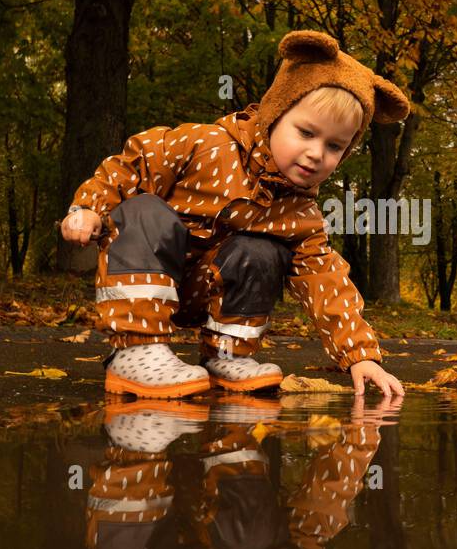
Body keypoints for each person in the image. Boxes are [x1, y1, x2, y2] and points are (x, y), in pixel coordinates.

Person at [60, 30, 407, 400]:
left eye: (334, 146)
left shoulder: (300, 213)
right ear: (274, 114)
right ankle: (136, 350)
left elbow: (327, 282)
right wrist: (88, 208)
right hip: (149, 272)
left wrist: (360, 356)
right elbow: (133, 166)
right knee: (145, 209)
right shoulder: (205, 145)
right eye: (305, 133)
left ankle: (227, 353)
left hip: (205, 290)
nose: (316, 153)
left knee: (263, 251)